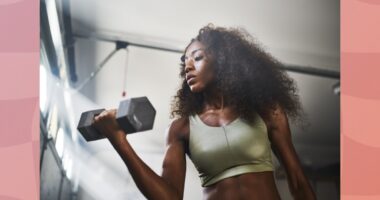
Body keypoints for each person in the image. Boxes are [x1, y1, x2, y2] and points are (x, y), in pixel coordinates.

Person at [92, 24, 317, 200]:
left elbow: (297, 181)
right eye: (185, 62)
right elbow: (169, 197)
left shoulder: (267, 109)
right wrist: (118, 140)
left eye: (197, 58)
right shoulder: (181, 128)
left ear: (223, 62)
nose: (188, 66)